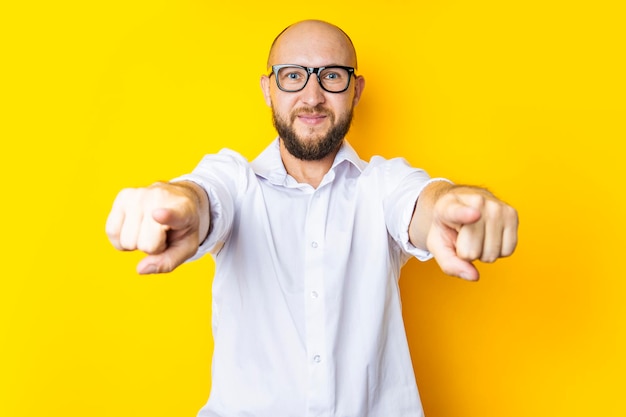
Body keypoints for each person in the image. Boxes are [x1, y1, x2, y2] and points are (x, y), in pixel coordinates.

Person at [105, 19, 518, 417]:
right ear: (269, 89)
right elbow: (203, 196)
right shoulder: (236, 181)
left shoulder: (383, 183)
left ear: (355, 91)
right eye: (293, 76)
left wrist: (456, 208)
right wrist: (177, 203)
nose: (313, 95)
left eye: (331, 76)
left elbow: (422, 203)